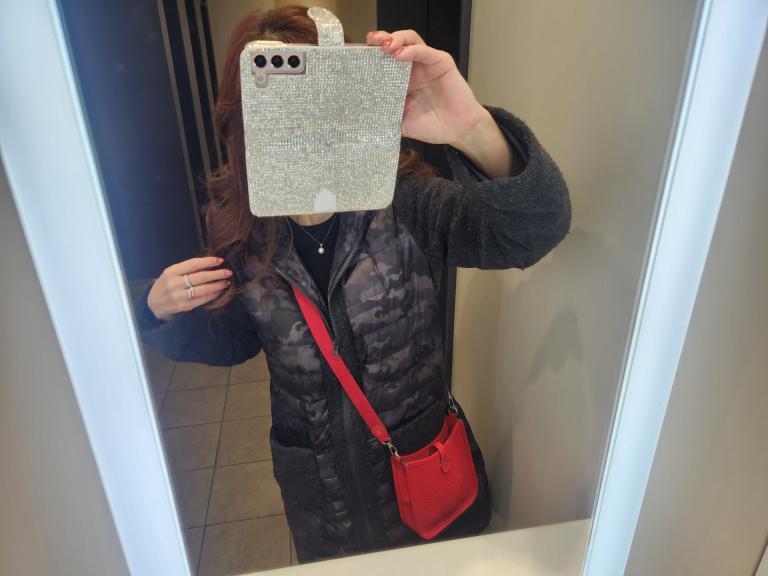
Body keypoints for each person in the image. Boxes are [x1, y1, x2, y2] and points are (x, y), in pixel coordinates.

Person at [135, 5, 571, 564]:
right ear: (244, 117)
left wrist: (471, 129)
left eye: (310, 93)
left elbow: (535, 230)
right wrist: (160, 312)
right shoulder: (244, 230)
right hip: (324, 505)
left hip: (425, 487)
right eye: (273, 99)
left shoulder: (403, 201)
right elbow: (237, 340)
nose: (296, 117)